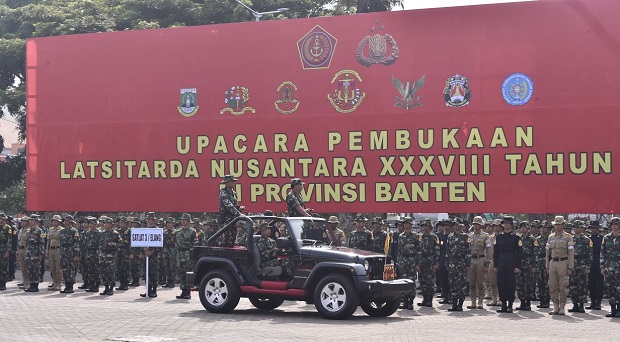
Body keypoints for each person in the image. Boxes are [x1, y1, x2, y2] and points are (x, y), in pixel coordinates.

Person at [546, 215, 575, 315]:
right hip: (552, 263)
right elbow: (547, 253)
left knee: (563, 285)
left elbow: (571, 252)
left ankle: (562, 307)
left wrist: (570, 266)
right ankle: (555, 307)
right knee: (552, 285)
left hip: (563, 262)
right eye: (556, 225)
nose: (557, 227)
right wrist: (547, 266)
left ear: (563, 225)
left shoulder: (568, 237)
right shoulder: (550, 237)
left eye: (559, 224)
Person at [493, 216, 522, 313]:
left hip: (511, 264)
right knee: (501, 284)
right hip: (501, 263)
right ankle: (503, 305)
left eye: (507, 223)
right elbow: (495, 252)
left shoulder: (516, 238)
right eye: (504, 223)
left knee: (510, 285)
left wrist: (518, 266)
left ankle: (510, 305)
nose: (505, 225)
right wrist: (495, 266)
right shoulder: (499, 237)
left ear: (511, 225)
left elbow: (519, 253)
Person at [446, 218, 471, 312]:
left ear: (461, 226)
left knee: (461, 284)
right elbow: (447, 251)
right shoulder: (450, 236)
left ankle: (460, 304)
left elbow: (468, 252)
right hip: (452, 263)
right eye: (454, 225)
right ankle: (454, 304)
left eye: (458, 225)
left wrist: (467, 264)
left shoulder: (466, 237)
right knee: (452, 284)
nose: (456, 227)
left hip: (462, 263)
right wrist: (447, 263)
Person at [567, 220, 592, 313]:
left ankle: (581, 305)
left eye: (579, 227)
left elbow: (590, 254)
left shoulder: (587, 240)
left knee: (582, 285)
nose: (576, 229)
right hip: (573, 264)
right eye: (575, 227)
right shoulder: (570, 239)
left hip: (582, 265)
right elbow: (568, 253)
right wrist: (568, 266)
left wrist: (588, 267)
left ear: (582, 228)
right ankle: (575, 304)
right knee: (573, 285)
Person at [515, 221, 538, 311]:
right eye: (521, 227)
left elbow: (535, 252)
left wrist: (534, 265)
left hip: (528, 263)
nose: (523, 228)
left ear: (528, 228)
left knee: (528, 284)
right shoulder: (518, 239)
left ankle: (528, 303)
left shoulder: (533, 239)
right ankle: (522, 302)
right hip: (520, 263)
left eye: (524, 227)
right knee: (519, 283)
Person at [416, 219, 440, 307]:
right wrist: (417, 263)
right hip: (422, 262)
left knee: (430, 282)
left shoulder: (434, 237)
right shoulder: (420, 237)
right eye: (423, 226)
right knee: (422, 281)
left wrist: (436, 262)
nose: (425, 228)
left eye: (427, 226)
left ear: (430, 227)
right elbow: (417, 250)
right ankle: (425, 299)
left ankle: (430, 299)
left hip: (431, 262)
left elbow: (437, 250)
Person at [398, 217, 419, 310]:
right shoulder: (401, 236)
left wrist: (417, 263)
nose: (406, 225)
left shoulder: (415, 236)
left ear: (411, 225)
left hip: (412, 260)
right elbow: (399, 250)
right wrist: (399, 262)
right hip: (403, 260)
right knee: (403, 281)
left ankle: (410, 301)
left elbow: (419, 251)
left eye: (408, 224)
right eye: (405, 224)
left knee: (411, 281)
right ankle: (405, 301)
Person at [176, 213, 198, 300]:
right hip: (179, 254)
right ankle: (183, 291)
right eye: (182, 220)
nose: (182, 221)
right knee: (181, 273)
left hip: (187, 254)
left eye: (184, 220)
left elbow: (195, 243)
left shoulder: (193, 231)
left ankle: (188, 292)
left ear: (188, 221)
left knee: (187, 272)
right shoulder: (178, 231)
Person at [98, 217, 122, 295]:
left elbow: (121, 243)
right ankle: (106, 288)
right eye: (105, 223)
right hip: (102, 256)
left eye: (108, 223)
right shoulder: (101, 233)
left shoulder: (115, 233)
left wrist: (114, 244)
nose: (106, 225)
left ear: (112, 225)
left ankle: (111, 288)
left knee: (110, 272)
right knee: (103, 272)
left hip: (111, 256)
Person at [601, 217, 620, 317]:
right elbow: (602, 253)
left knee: (619, 289)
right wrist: (602, 267)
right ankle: (613, 309)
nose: (614, 226)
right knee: (610, 288)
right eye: (612, 224)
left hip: (619, 268)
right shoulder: (607, 238)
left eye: (616, 224)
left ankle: (619, 310)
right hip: (609, 268)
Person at [140, 212, 161, 298]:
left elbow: (160, 245)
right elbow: (140, 241)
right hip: (146, 256)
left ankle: (154, 291)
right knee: (146, 273)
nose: (149, 221)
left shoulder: (158, 230)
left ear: (154, 221)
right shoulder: (144, 230)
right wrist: (142, 251)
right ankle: (148, 291)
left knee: (153, 273)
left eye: (151, 219)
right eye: (148, 219)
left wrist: (152, 252)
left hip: (154, 256)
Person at [24, 215, 46, 292]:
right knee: (30, 269)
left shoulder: (40, 231)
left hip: (36, 254)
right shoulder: (29, 230)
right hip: (29, 253)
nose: (30, 221)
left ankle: (35, 286)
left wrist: (41, 254)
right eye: (30, 220)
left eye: (32, 220)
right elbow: (27, 242)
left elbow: (42, 243)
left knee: (36, 270)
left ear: (36, 221)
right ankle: (31, 285)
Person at [59, 215, 80, 294]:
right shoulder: (62, 231)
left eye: (67, 220)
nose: (65, 222)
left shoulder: (74, 231)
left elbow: (76, 243)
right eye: (64, 220)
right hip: (64, 252)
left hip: (71, 252)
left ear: (70, 222)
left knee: (71, 270)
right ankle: (66, 286)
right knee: (65, 269)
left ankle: (70, 287)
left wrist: (76, 255)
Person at [586, 220, 604, 310]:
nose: (593, 230)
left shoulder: (601, 238)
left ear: (598, 229)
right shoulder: (587, 239)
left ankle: (598, 302)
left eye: (594, 228)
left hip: (598, 264)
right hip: (590, 265)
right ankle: (592, 302)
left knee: (599, 284)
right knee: (591, 284)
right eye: (591, 228)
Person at [486, 219, 502, 306]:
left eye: (498, 226)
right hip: (492, 262)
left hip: (501, 262)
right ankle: (494, 299)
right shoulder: (490, 238)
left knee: (501, 282)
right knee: (492, 282)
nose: (496, 228)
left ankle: (500, 299)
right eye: (495, 226)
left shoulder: (503, 237)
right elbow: (487, 249)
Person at [536, 220, 552, 308]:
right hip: (539, 262)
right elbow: (535, 252)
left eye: (545, 228)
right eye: (542, 227)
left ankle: (547, 300)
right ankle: (541, 300)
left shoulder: (551, 239)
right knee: (540, 282)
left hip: (548, 262)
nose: (543, 229)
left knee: (547, 282)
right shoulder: (537, 239)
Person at [46, 215, 64, 291]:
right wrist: (47, 251)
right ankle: (54, 282)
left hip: (58, 250)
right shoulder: (50, 229)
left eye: (56, 220)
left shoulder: (62, 230)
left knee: (58, 268)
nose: (54, 222)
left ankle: (59, 284)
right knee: (52, 267)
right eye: (53, 220)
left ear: (59, 222)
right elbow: (48, 241)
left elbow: (63, 242)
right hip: (51, 250)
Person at [437, 219, 452, 304]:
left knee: (451, 279)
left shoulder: (453, 236)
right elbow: (438, 249)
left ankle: (451, 297)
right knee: (443, 278)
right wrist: (438, 261)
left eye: (448, 225)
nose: (446, 227)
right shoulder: (441, 236)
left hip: (451, 260)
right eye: (444, 225)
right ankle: (445, 296)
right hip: (442, 259)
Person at [115, 216, 131, 291]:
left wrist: (131, 253)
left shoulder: (129, 231)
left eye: (122, 223)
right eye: (120, 223)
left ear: (126, 223)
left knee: (126, 269)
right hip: (118, 252)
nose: (121, 224)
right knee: (119, 269)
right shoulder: (117, 231)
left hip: (126, 252)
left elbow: (131, 243)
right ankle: (121, 284)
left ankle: (126, 284)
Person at [161, 217, 177, 288]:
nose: (169, 225)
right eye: (168, 223)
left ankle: (172, 282)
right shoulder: (164, 232)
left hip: (173, 251)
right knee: (166, 266)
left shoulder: (176, 232)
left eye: (171, 223)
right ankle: (168, 281)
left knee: (172, 267)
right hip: (165, 250)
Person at [17, 216, 30, 289]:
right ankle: (24, 281)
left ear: (28, 222)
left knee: (27, 266)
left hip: (26, 250)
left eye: (24, 221)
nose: (23, 222)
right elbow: (18, 241)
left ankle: (28, 282)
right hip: (20, 249)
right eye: (22, 221)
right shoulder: (21, 230)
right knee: (22, 267)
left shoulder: (29, 231)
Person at [0, 212, 11, 290]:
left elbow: (9, 240)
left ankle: (3, 284)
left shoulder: (7, 228)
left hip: (4, 250)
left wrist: (8, 251)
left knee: (4, 267)